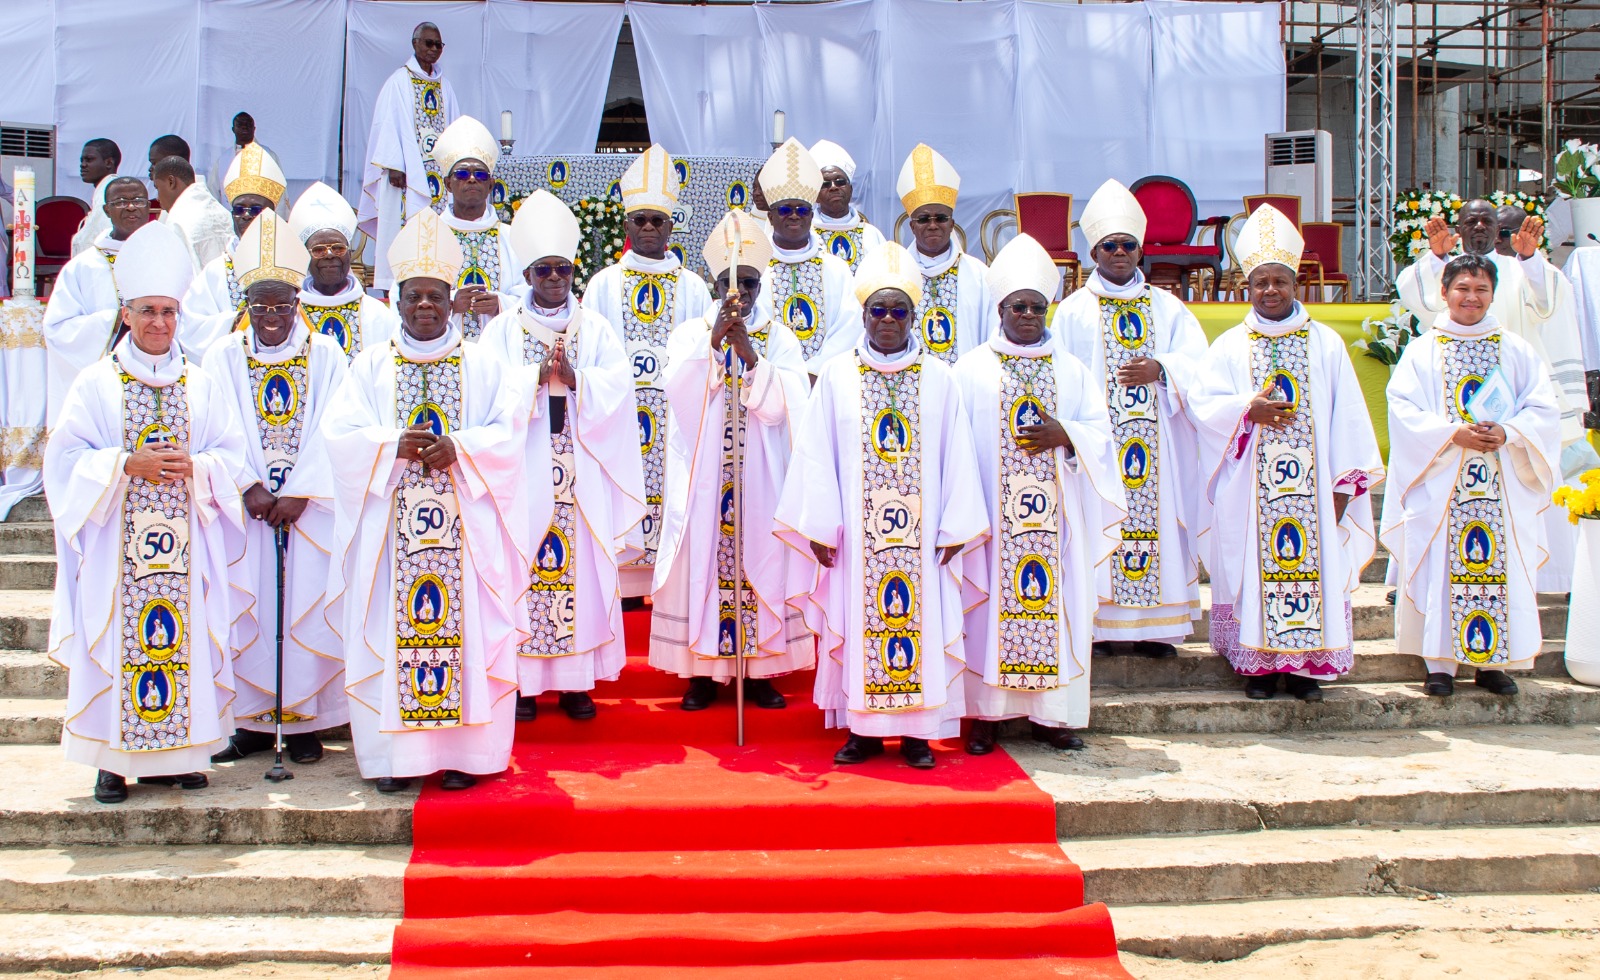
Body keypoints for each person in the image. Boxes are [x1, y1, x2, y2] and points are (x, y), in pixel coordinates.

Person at [323, 209, 530, 793]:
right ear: (398, 299)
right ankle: (397, 762)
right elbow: (340, 438)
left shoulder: (485, 365)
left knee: (463, 634)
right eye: (413, 296)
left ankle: (468, 755)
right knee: (393, 634)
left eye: (434, 296)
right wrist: (391, 445)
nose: (423, 307)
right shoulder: (369, 366)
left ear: (451, 300)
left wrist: (459, 450)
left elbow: (509, 435)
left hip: (463, 535)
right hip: (393, 535)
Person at [43, 221, 247, 804]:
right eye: (147, 311)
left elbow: (229, 456)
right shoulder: (95, 384)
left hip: (186, 548)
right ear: (125, 315)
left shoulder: (202, 385)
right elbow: (63, 462)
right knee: (117, 640)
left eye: (169, 311)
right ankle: (113, 762)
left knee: (183, 642)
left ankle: (179, 756)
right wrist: (122, 466)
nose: (159, 322)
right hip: (118, 550)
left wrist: (199, 468)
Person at [777, 241, 987, 769]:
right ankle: (863, 733)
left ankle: (918, 734)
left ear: (914, 316)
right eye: (878, 310)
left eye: (899, 310)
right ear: (863, 315)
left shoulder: (939, 378)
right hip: (856, 539)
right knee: (857, 621)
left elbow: (957, 453)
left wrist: (957, 525)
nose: (888, 320)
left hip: (922, 539)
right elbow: (816, 454)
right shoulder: (837, 376)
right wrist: (819, 528)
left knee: (923, 624)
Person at [1189, 205, 1384, 702]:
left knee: (1310, 571)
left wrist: (1342, 488)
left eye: (1280, 280)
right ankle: (1257, 667)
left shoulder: (1326, 344)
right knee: (1253, 570)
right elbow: (1202, 407)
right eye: (1261, 282)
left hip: (1312, 494)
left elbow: (1349, 418)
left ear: (1296, 284)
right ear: (1246, 288)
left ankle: (1302, 671)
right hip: (1251, 493)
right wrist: (1245, 410)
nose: (1270, 290)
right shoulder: (1231, 346)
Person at [957, 234, 1126, 755]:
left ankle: (1055, 718)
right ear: (1000, 308)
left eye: (1036, 306)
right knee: (986, 613)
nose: (1028, 314)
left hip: (1057, 524)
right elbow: (954, 446)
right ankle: (985, 716)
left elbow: (1103, 434)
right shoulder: (971, 370)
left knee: (1060, 610)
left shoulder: (1072, 370)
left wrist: (1067, 436)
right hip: (992, 522)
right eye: (1017, 306)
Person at [481, 190, 645, 723]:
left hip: (580, 474)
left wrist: (578, 380)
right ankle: (525, 684)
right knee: (522, 568)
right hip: (524, 473)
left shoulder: (594, 328)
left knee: (585, 574)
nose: (555, 278)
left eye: (563, 269)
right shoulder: (502, 329)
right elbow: (484, 392)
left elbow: (620, 389)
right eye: (544, 269)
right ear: (527, 274)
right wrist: (532, 378)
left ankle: (576, 683)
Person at [649, 209, 814, 710]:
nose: (739, 292)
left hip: (760, 476)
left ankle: (761, 669)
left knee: (760, 558)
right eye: (728, 282)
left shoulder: (780, 337)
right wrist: (714, 344)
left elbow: (790, 403)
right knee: (704, 561)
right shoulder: (689, 334)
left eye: (749, 283)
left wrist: (752, 358)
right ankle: (702, 673)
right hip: (706, 475)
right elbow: (676, 393)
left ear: (762, 285)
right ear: (714, 283)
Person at [203, 211, 350, 764]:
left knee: (303, 605)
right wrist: (247, 486)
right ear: (246, 306)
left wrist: (302, 491)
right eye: (259, 305)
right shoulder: (222, 356)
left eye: (282, 305)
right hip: (246, 510)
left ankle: (307, 719)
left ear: (298, 304)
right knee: (253, 606)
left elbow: (337, 425)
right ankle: (250, 724)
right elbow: (216, 425)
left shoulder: (327, 355)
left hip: (308, 511)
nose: (271, 316)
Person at [1383, 254, 1560, 698]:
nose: (1471, 298)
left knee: (1495, 566)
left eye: (1481, 290)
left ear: (1492, 295)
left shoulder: (1515, 348)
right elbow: (1402, 410)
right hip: (1444, 481)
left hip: (1499, 483)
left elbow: (1543, 408)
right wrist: (1451, 435)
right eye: (1462, 288)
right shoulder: (1424, 349)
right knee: (1441, 567)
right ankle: (1439, 665)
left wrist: (1510, 431)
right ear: (1444, 292)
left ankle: (1491, 663)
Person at [1050, 179, 1208, 659]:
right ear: (1094, 251)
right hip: (1100, 448)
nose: (1119, 252)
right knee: (1102, 521)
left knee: (1156, 523)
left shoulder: (1169, 307)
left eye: (1128, 245)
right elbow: (1057, 377)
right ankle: (1103, 627)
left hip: (1158, 447)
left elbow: (1199, 364)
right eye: (1109, 246)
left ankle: (1156, 629)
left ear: (1140, 251)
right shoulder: (1072, 313)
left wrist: (1163, 368)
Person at [1396, 197, 1584, 591]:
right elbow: (1418, 297)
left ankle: (1534, 579)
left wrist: (1532, 261)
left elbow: (1552, 302)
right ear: (1459, 227)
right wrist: (1434, 258)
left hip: (1507, 415)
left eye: (1487, 221)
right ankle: (1429, 580)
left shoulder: (1517, 270)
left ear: (1499, 228)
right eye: (1471, 221)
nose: (1479, 227)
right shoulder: (1448, 270)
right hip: (1447, 417)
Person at [582, 145, 714, 595]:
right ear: (626, 226)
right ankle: (624, 587)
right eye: (640, 220)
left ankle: (671, 586)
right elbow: (590, 354)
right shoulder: (603, 284)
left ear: (671, 226)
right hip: (621, 414)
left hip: (677, 416)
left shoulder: (694, 286)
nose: (649, 228)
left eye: (657, 220)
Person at [358, 21, 459, 294]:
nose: (434, 49)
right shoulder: (399, 81)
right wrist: (394, 164)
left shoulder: (444, 86)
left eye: (439, 44)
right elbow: (387, 124)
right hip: (408, 176)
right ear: (415, 44)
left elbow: (453, 128)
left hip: (438, 174)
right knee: (407, 230)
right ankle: (402, 287)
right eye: (429, 43)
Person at [43, 176, 150, 427]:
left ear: (149, 207)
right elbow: (57, 329)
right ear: (106, 210)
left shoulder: (166, 256)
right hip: (105, 378)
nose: (131, 207)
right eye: (122, 201)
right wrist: (113, 320)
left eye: (138, 200)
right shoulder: (83, 267)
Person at [759, 138, 860, 376]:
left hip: (825, 383)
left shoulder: (836, 269)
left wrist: (816, 372)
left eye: (802, 210)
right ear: (771, 217)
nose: (794, 216)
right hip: (770, 385)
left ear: (810, 215)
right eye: (785, 209)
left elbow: (849, 326)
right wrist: (779, 377)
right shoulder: (756, 269)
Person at [180, 144, 288, 356]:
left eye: (255, 209)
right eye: (239, 209)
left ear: (272, 212)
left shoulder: (292, 262)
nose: (246, 215)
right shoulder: (216, 272)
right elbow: (191, 328)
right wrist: (236, 321)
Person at [897, 144, 992, 365]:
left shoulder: (979, 275)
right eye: (923, 219)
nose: (932, 225)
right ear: (912, 226)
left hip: (965, 385)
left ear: (952, 225)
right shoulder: (898, 273)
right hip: (911, 387)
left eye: (940, 218)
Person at [287, 182, 399, 361]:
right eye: (319, 250)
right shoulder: (292, 314)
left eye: (338, 248)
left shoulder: (377, 314)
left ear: (349, 253)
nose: (330, 255)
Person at [429, 116, 517, 339]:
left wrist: (501, 302)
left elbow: (531, 292)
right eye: (461, 174)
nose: (471, 180)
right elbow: (405, 294)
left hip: (501, 351)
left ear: (490, 185)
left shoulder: (511, 237)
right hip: (445, 351)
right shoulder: (428, 235)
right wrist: (449, 304)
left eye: (480, 174)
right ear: (448, 184)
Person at [809, 140, 885, 273]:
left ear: (851, 189)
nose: (833, 187)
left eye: (840, 181)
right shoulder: (807, 235)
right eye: (825, 184)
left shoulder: (871, 234)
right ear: (815, 195)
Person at [152, 156, 233, 269]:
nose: (157, 197)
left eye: (157, 188)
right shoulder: (223, 212)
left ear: (171, 182)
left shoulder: (177, 220)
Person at [70, 138, 121, 257]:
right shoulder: (105, 188)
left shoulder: (111, 190)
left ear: (108, 163)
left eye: (89, 159)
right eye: (81, 160)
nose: (83, 165)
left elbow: (103, 235)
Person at [207, 113, 276, 201]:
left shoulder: (268, 156)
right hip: (229, 213)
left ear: (254, 129)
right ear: (233, 129)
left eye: (248, 124)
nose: (244, 127)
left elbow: (278, 191)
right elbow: (213, 193)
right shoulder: (223, 160)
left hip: (260, 213)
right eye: (240, 124)